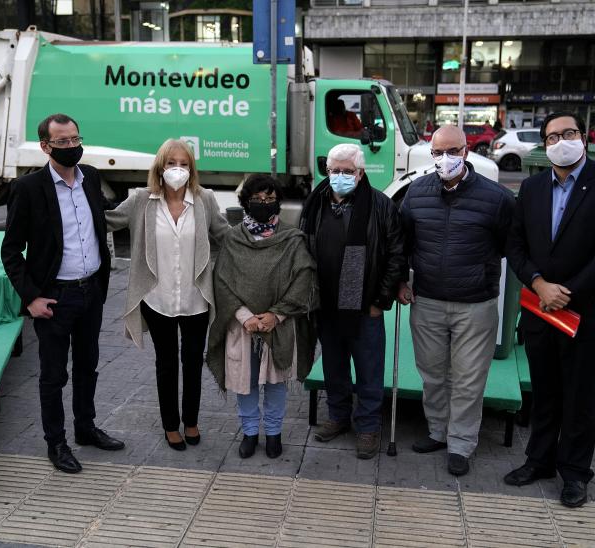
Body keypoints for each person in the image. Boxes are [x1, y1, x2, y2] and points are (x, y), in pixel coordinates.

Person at [504, 111, 595, 507]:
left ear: (584, 138)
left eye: (568, 133)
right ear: (543, 146)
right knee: (543, 391)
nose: (560, 141)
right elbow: (515, 247)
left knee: (579, 396)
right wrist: (540, 284)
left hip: (587, 312)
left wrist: (568, 291)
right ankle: (539, 460)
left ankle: (575, 473)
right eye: (551, 137)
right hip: (541, 310)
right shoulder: (530, 190)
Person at [1, 113, 125, 474]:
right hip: (54, 297)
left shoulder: (92, 179)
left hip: (91, 292)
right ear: (45, 146)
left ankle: (86, 428)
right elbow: (10, 250)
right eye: (63, 142)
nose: (72, 146)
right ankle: (56, 443)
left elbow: (99, 227)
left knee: (88, 367)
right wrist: (31, 298)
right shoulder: (28, 189)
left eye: (75, 139)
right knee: (53, 375)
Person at [397, 125, 515, 476]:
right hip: (428, 300)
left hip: (475, 304)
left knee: (468, 378)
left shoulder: (497, 198)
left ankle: (461, 444)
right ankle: (437, 431)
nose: (445, 158)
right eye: (437, 152)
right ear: (430, 153)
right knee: (433, 374)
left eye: (453, 151)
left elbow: (512, 246)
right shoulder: (416, 193)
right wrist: (401, 279)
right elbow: (402, 244)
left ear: (466, 151)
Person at [105, 138, 229, 451]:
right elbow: (106, 221)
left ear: (192, 168)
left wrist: (263, 238)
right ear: (160, 167)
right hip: (156, 298)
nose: (178, 169)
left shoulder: (205, 200)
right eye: (171, 163)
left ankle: (191, 421)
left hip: (196, 298)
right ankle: (170, 425)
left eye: (184, 164)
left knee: (192, 362)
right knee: (166, 363)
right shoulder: (141, 200)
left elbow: (225, 235)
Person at [299, 143, 405, 459]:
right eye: (335, 171)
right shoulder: (316, 202)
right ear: (327, 171)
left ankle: (369, 427)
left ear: (360, 174)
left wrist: (380, 301)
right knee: (333, 366)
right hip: (326, 304)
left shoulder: (381, 206)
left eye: (348, 171)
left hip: (365, 305)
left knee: (370, 370)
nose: (341, 176)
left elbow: (397, 256)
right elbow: (303, 247)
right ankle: (338, 417)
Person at [207, 175, 317, 459]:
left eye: (270, 199)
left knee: (275, 382)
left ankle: (273, 433)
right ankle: (250, 432)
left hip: (277, 326)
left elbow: (303, 277)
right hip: (242, 327)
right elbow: (222, 282)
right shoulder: (233, 239)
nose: (264, 204)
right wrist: (245, 317)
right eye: (257, 199)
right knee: (245, 381)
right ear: (245, 202)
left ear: (278, 202)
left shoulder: (292, 238)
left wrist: (276, 315)